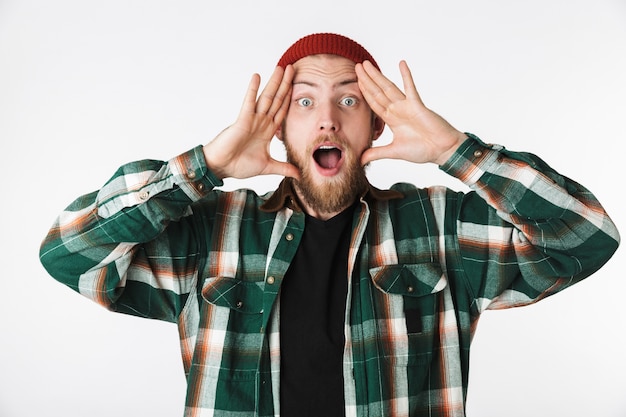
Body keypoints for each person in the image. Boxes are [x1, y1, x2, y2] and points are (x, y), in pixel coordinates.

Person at [39, 33, 620, 417]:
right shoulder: (208, 233)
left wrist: (457, 151)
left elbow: (585, 236)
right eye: (303, 101)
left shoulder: (439, 226)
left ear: (374, 126)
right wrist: (203, 168)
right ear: (277, 127)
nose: (326, 122)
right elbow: (70, 253)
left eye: (348, 102)